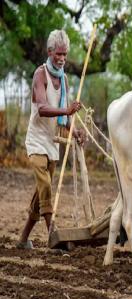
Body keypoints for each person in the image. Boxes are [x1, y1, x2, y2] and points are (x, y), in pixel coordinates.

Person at [17, 29, 85, 249]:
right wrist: (66, 110)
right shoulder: (40, 74)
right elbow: (43, 109)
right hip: (36, 141)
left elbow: (63, 120)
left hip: (52, 142)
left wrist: (73, 131)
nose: (62, 58)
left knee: (41, 193)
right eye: (59, 54)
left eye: (65, 54)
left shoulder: (64, 79)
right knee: (45, 184)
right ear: (49, 52)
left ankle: (22, 239)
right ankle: (53, 234)